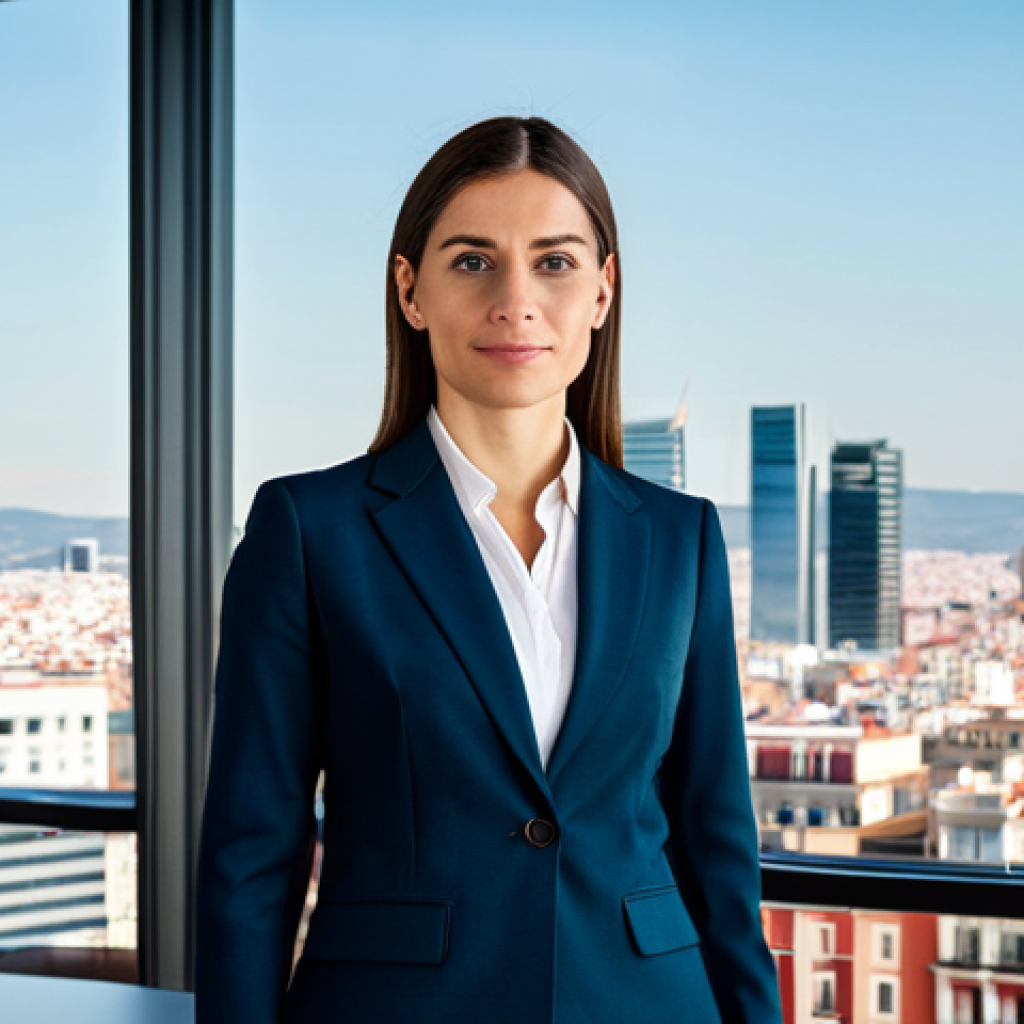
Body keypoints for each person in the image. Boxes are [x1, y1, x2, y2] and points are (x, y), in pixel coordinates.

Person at [194, 115, 783, 1024]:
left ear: (602, 291)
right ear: (410, 290)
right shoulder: (308, 532)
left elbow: (718, 849)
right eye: (473, 261)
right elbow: (250, 858)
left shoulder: (682, 540)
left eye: (554, 262)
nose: (517, 300)